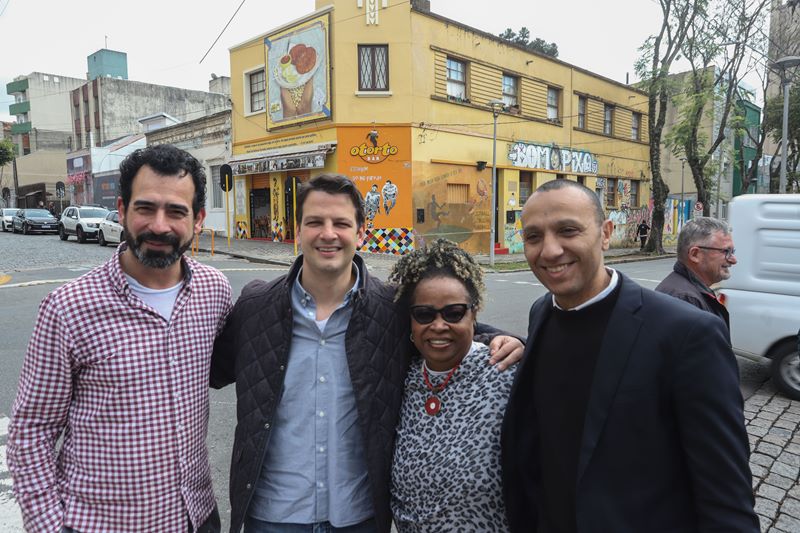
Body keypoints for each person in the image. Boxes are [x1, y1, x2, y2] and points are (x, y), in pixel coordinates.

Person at [210, 174, 522, 533]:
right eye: (315, 222)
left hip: (358, 518)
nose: (328, 234)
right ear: (297, 231)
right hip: (273, 517)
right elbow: (207, 366)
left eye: (341, 223)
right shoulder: (256, 306)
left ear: (360, 234)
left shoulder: (391, 308)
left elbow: (445, 325)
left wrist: (511, 339)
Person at [501, 179, 758, 532]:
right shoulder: (542, 311)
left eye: (568, 230)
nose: (549, 250)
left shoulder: (687, 333)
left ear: (605, 234)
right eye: (533, 237)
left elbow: (727, 496)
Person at [7, 144, 232, 533]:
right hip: (101, 525)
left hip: (196, 516)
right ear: (123, 210)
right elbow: (32, 432)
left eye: (176, 211)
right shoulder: (68, 308)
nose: (159, 225)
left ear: (197, 220)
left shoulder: (215, 292)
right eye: (146, 208)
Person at [389, 239, 516, 532]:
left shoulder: (507, 374)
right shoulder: (401, 380)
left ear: (474, 313)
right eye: (424, 314)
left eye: (453, 313)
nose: (438, 325)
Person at [655, 216, 736, 334]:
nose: (733, 260)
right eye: (726, 251)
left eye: (732, 252)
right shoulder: (684, 299)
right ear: (695, 254)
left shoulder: (690, 293)